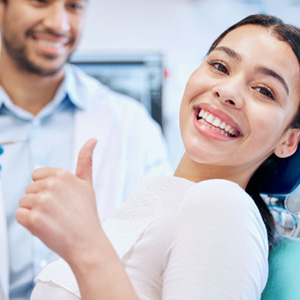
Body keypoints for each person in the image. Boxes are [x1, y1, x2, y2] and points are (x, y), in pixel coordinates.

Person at [16, 14, 300, 299]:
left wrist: (85, 244)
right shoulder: (158, 202)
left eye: (264, 90)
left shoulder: (224, 204)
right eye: (219, 66)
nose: (227, 92)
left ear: (289, 140)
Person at [0, 0, 171, 299]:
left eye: (74, 7)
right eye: (41, 2)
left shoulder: (133, 127)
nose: (59, 23)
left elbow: (159, 260)